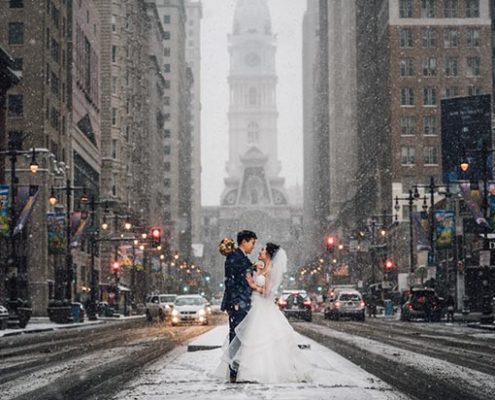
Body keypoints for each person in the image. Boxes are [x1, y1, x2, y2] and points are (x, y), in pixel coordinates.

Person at [217, 242, 313, 384]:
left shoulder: (270, 269)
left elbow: (267, 292)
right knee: (254, 337)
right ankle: (251, 371)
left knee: (263, 337)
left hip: (263, 306)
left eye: (262, 250)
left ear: (268, 254)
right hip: (255, 306)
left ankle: (265, 371)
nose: (259, 251)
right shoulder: (261, 266)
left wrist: (252, 285)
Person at [220, 230, 257, 383]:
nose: (253, 247)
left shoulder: (241, 257)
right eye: (252, 243)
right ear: (244, 242)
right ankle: (234, 371)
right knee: (236, 336)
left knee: (242, 335)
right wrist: (235, 302)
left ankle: (238, 369)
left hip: (244, 302)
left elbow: (248, 273)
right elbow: (230, 281)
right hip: (238, 304)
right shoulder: (234, 257)